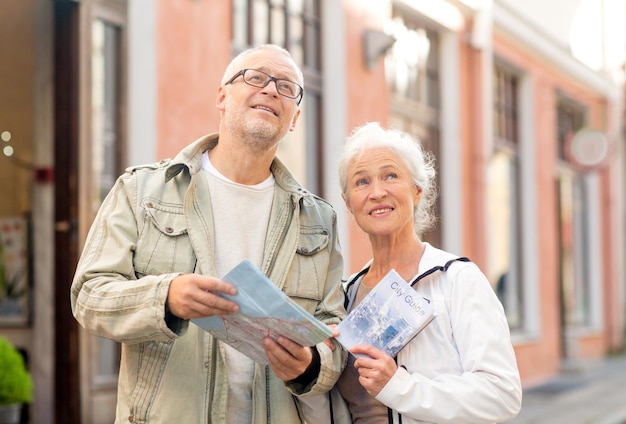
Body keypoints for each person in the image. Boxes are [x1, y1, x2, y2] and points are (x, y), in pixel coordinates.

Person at [70, 44, 347, 424]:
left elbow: (335, 331)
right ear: (222, 96)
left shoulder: (317, 219)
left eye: (286, 86)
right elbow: (89, 296)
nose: (270, 90)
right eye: (255, 77)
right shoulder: (142, 190)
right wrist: (166, 296)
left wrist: (311, 365)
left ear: (295, 117)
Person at [333, 122, 522, 423]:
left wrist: (399, 386)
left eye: (391, 176)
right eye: (361, 182)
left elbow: (502, 394)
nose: (377, 192)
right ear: (348, 203)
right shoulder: (344, 295)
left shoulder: (456, 280)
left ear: (417, 191)